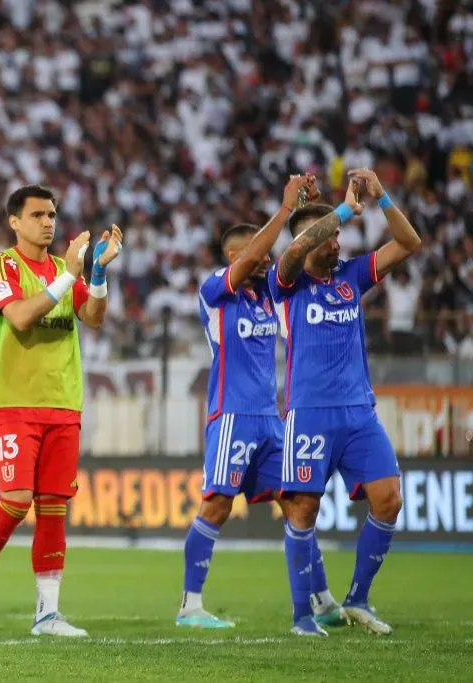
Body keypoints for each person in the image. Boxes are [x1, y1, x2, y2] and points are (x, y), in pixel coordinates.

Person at [0, 184, 121, 637]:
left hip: (64, 402)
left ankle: (47, 613)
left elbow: (95, 318)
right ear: (15, 222)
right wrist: (69, 275)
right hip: (13, 404)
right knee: (15, 501)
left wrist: (98, 274)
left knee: (52, 509)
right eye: (38, 215)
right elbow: (21, 317)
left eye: (52, 214)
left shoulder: (65, 270)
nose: (48, 222)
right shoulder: (0, 266)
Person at [178, 175, 344, 630]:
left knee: (298, 503)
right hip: (231, 416)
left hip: (270, 420)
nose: (268, 255)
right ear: (235, 257)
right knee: (216, 506)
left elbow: (290, 258)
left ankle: (323, 599)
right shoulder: (215, 291)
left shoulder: (267, 295)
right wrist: (285, 208)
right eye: (258, 250)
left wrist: (317, 216)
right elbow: (257, 252)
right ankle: (190, 606)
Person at [271, 169, 420, 636]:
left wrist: (381, 197)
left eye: (339, 236)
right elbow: (293, 251)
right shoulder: (287, 282)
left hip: (359, 414)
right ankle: (302, 616)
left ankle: (358, 598)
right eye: (331, 237)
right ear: (311, 238)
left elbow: (408, 243)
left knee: (389, 498)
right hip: (309, 413)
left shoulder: (352, 276)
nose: (339, 243)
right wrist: (341, 211)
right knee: (303, 511)